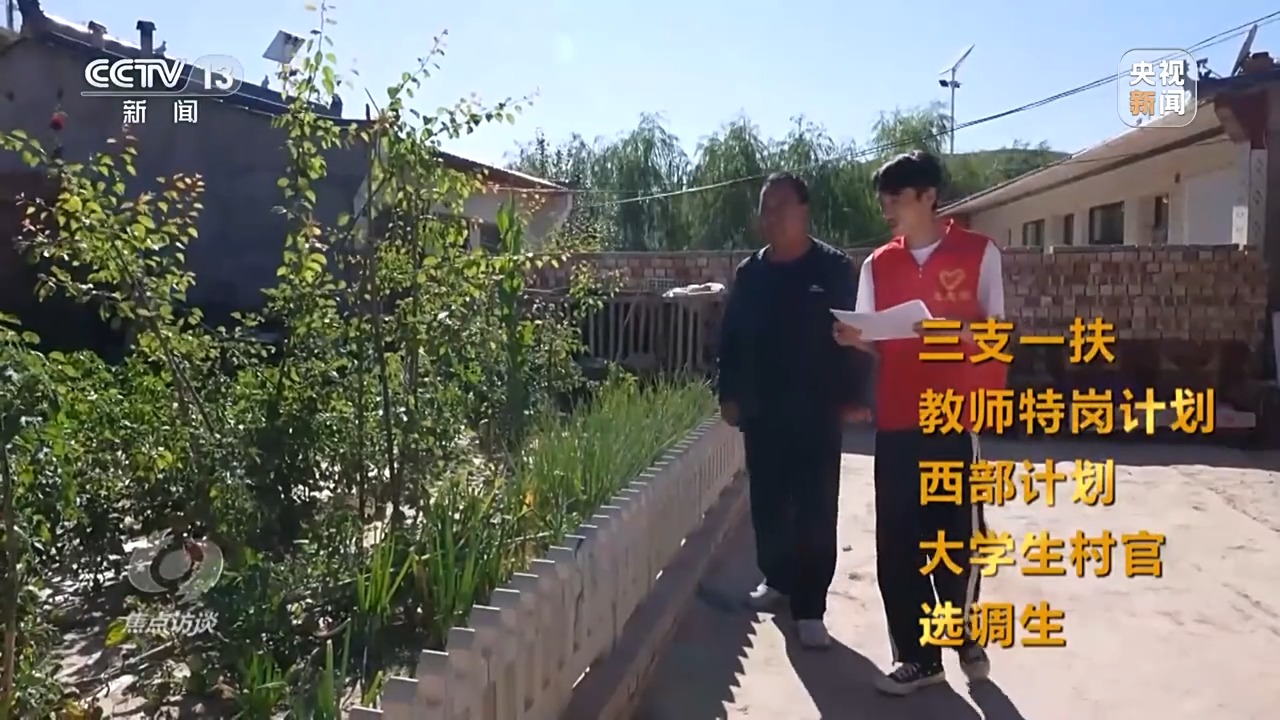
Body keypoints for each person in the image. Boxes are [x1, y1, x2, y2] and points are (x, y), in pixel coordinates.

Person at [833, 150, 1007, 694]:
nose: (886, 208)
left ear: (928, 197)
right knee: (899, 544)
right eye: (883, 199)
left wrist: (951, 333)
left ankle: (964, 632)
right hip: (898, 419)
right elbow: (878, 340)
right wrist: (857, 339)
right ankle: (916, 657)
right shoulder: (877, 265)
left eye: (896, 198)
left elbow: (997, 338)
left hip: (954, 417)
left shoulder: (978, 254)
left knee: (956, 537)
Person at [717, 171, 874, 650]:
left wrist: (857, 396)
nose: (772, 216)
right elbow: (731, 338)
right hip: (762, 408)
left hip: (816, 408)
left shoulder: (833, 269)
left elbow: (855, 335)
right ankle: (777, 580)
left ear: (804, 211)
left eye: (781, 206)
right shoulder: (751, 274)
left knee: (814, 507)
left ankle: (811, 608)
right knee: (767, 501)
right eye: (765, 208)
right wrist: (729, 393)